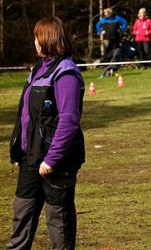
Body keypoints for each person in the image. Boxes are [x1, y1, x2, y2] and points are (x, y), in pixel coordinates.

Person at [6, 16, 85, 250]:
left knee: (58, 223)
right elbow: (26, 115)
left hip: (56, 162)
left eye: (36, 37)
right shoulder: (39, 69)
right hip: (30, 157)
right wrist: (19, 150)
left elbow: (69, 121)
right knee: (22, 215)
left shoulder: (66, 72)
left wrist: (51, 159)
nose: (34, 42)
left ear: (46, 39)